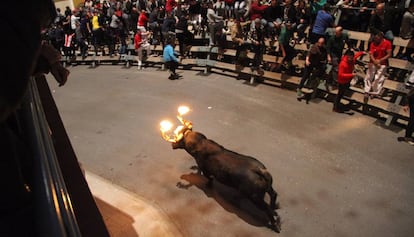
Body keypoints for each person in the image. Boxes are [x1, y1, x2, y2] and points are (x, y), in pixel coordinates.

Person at [363, 31, 392, 102]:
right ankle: (366, 91)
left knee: (378, 78)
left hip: (382, 63)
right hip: (373, 62)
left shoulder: (387, 43)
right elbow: (371, 54)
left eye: (376, 38)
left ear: (381, 37)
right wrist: (375, 62)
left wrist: (380, 60)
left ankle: (374, 92)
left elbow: (389, 54)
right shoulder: (373, 43)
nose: (375, 39)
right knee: (369, 76)